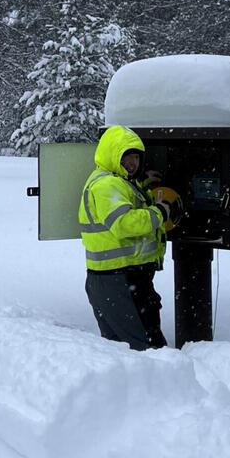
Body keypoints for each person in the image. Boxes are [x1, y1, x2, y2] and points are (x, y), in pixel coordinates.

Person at [78, 125, 178, 350]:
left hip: (122, 277)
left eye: (136, 158)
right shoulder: (106, 184)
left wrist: (142, 184)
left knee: (124, 348)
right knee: (142, 349)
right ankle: (156, 384)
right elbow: (124, 224)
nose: (133, 163)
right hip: (118, 279)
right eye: (127, 157)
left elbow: (125, 200)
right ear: (113, 155)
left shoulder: (117, 182)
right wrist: (159, 212)